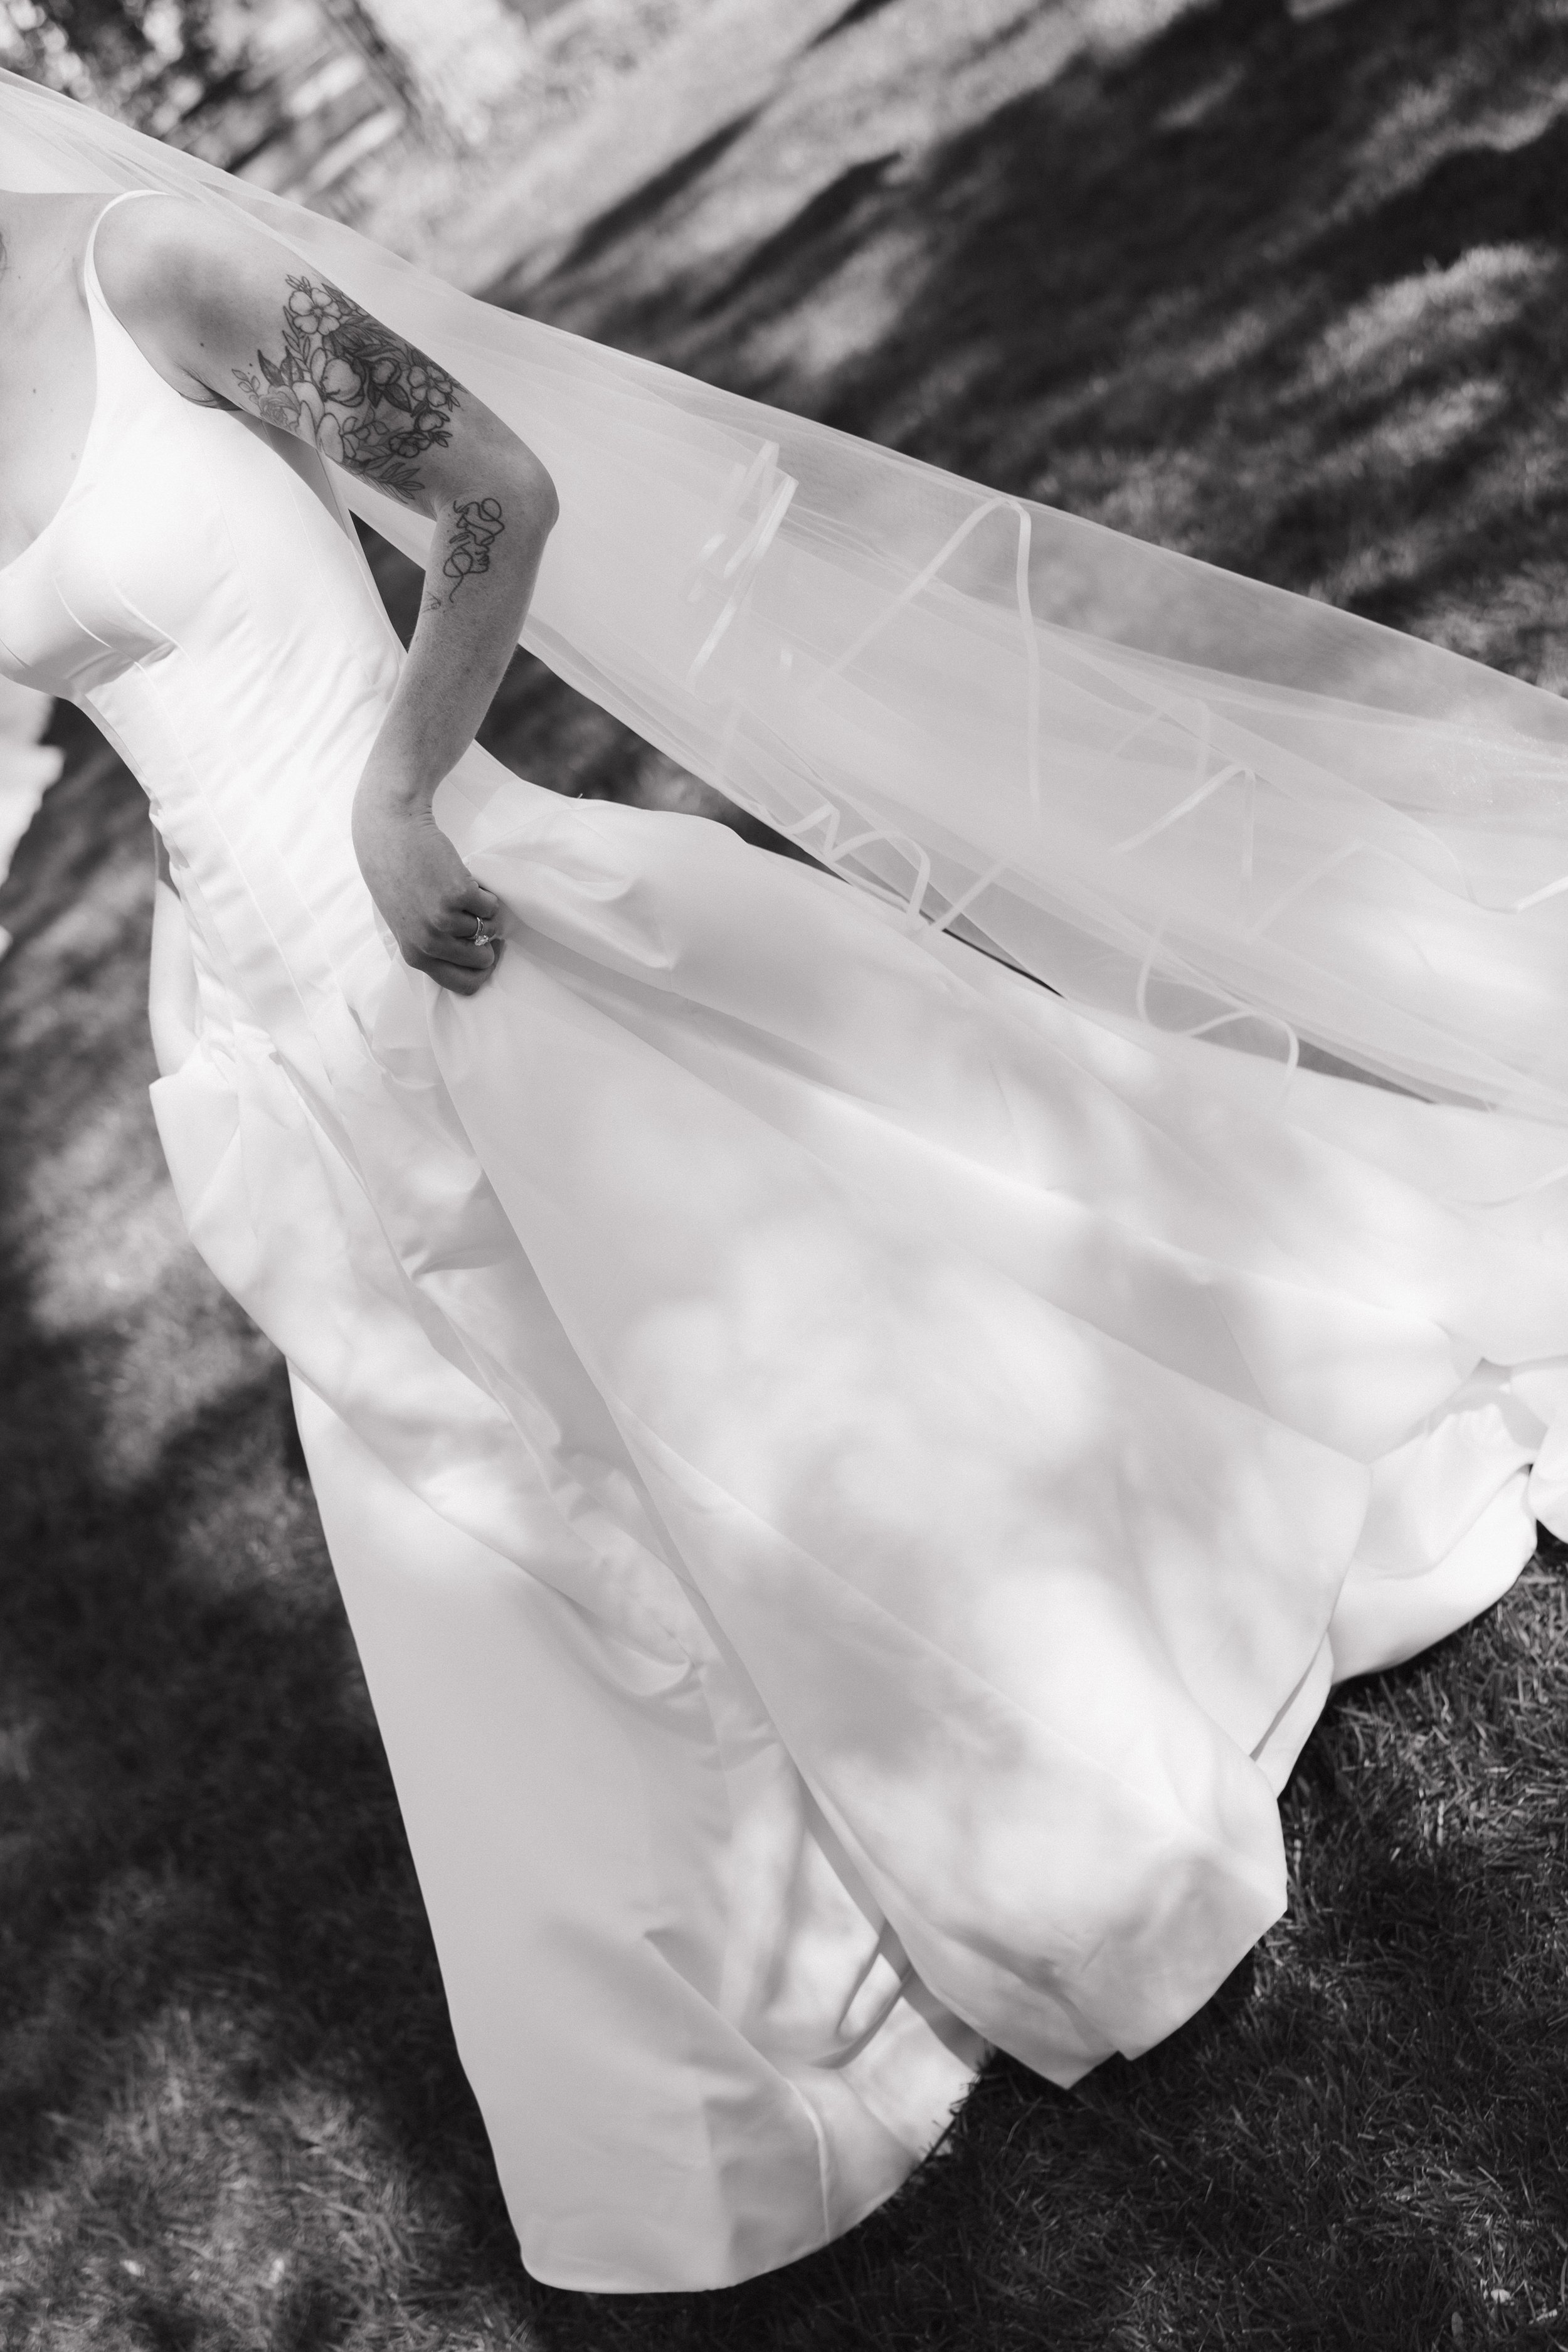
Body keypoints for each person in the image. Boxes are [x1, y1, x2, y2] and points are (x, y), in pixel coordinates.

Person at [4, 93, 1568, 2296]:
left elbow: (490, 496)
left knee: (786, 1344)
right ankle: (752, 1920)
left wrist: (398, 796)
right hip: (267, 1020)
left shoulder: (149, 264)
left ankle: (1056, 1700)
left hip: (443, 881)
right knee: (520, 1496)